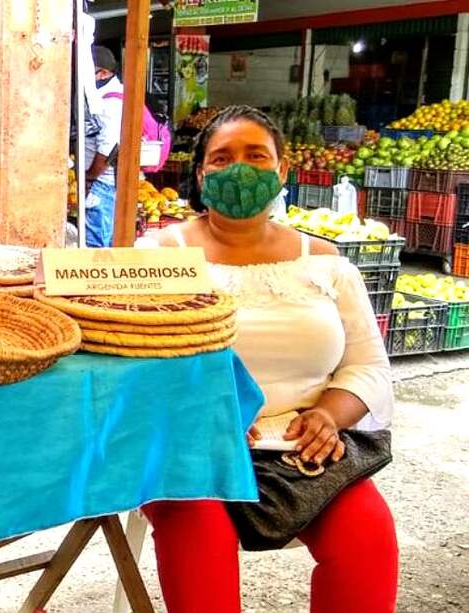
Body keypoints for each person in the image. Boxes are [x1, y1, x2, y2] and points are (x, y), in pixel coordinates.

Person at [145, 105, 397, 613]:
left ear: (282, 170)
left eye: (256, 156)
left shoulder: (326, 263)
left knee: (367, 541)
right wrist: (204, 418)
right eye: (222, 158)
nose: (239, 168)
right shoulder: (158, 257)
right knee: (198, 542)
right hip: (191, 445)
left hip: (303, 445)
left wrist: (328, 416)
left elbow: (367, 365)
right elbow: (135, 360)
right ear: (201, 175)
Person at [84, 46, 123, 247]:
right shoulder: (99, 96)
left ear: (103, 73)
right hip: (101, 184)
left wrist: (90, 176)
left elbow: (109, 147)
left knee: (95, 251)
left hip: (101, 185)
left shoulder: (111, 102)